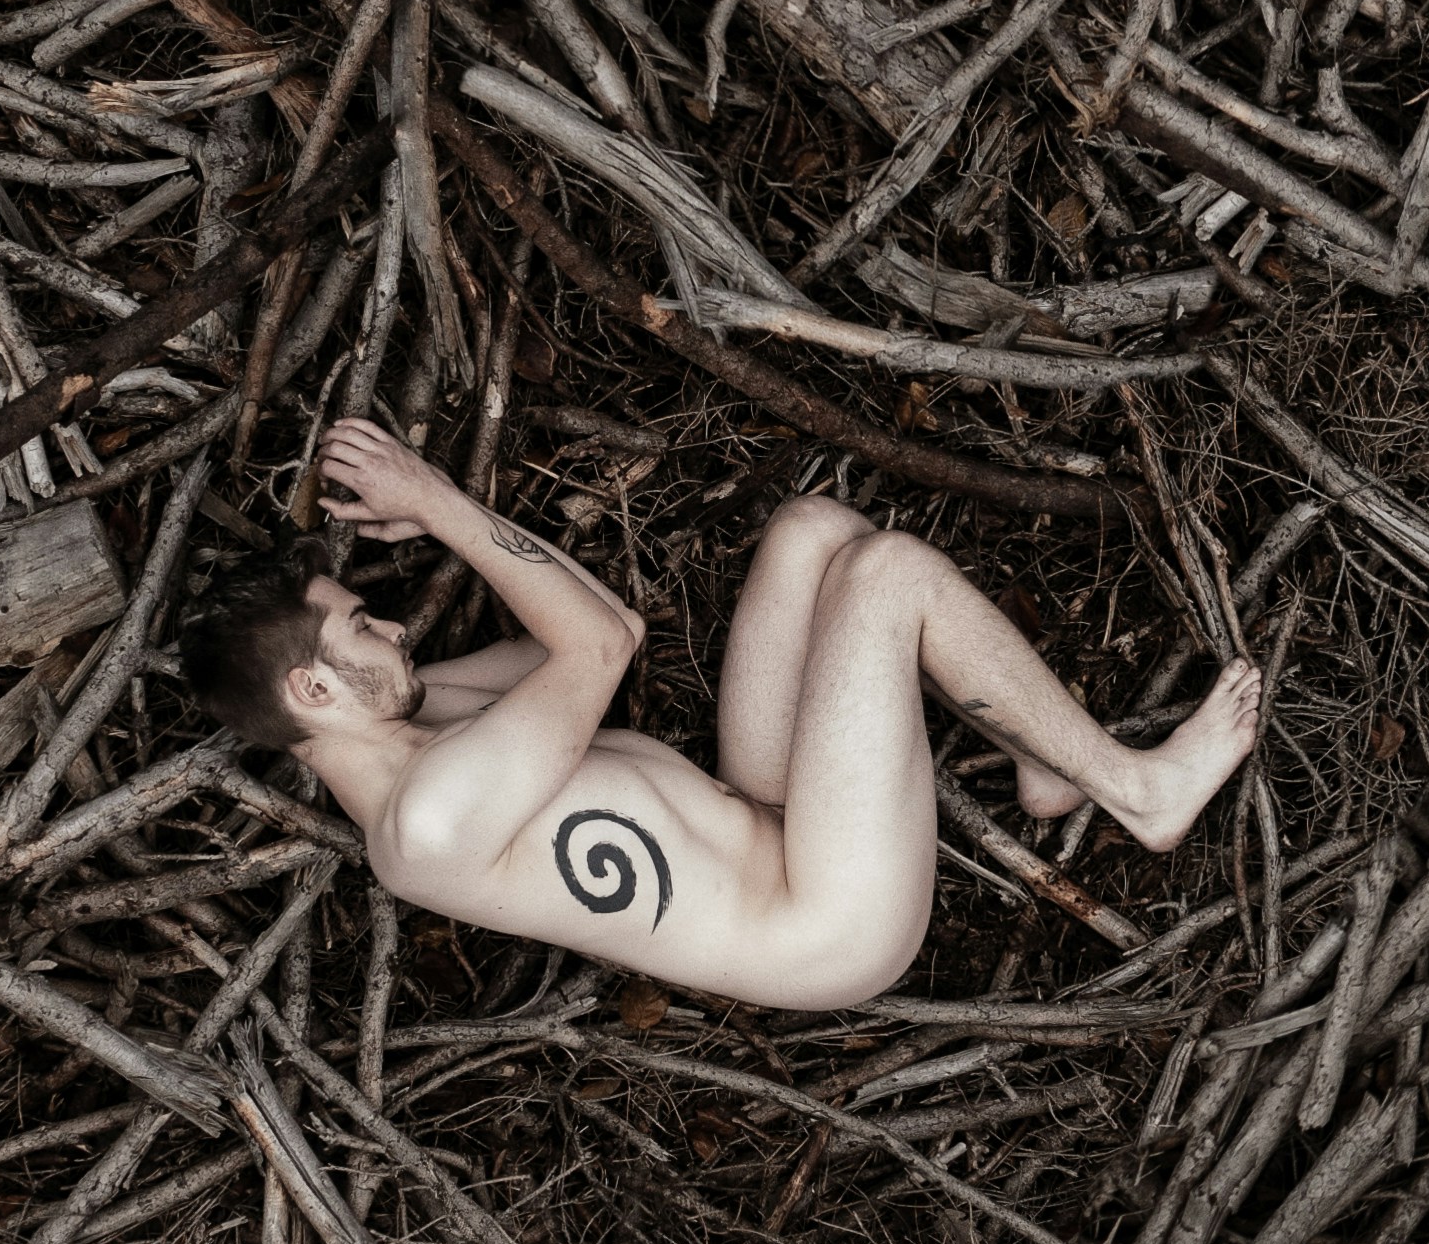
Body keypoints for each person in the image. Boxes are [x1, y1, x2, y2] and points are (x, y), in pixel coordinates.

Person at [201, 419, 1265, 1012]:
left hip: (765, 810)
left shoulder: (434, 722)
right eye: (358, 630)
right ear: (313, 693)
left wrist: (450, 532)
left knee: (810, 534)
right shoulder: (427, 821)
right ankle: (1141, 791)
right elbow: (600, 646)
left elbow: (591, 623)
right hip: (825, 917)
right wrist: (439, 504)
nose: (391, 630)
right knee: (885, 574)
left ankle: (1040, 757)